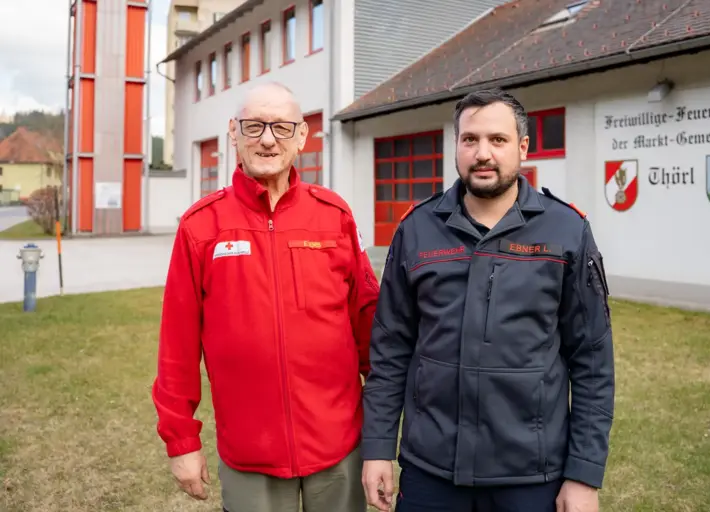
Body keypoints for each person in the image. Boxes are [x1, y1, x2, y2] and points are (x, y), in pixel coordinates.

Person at [361, 87, 615, 512]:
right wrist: (378, 447)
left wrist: (584, 475)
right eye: (470, 139)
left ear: (522, 146)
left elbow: (592, 363)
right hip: (431, 472)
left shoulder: (566, 231)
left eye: (497, 140)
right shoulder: (416, 230)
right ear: (456, 146)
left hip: (532, 476)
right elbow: (390, 353)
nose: (483, 153)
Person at [152, 82, 379, 512]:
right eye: (255, 126)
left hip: (338, 448)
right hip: (249, 453)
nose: (268, 139)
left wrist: (383, 431)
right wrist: (181, 441)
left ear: (301, 138)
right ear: (234, 134)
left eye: (281, 127)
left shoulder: (335, 217)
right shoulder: (202, 227)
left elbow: (370, 327)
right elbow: (176, 347)